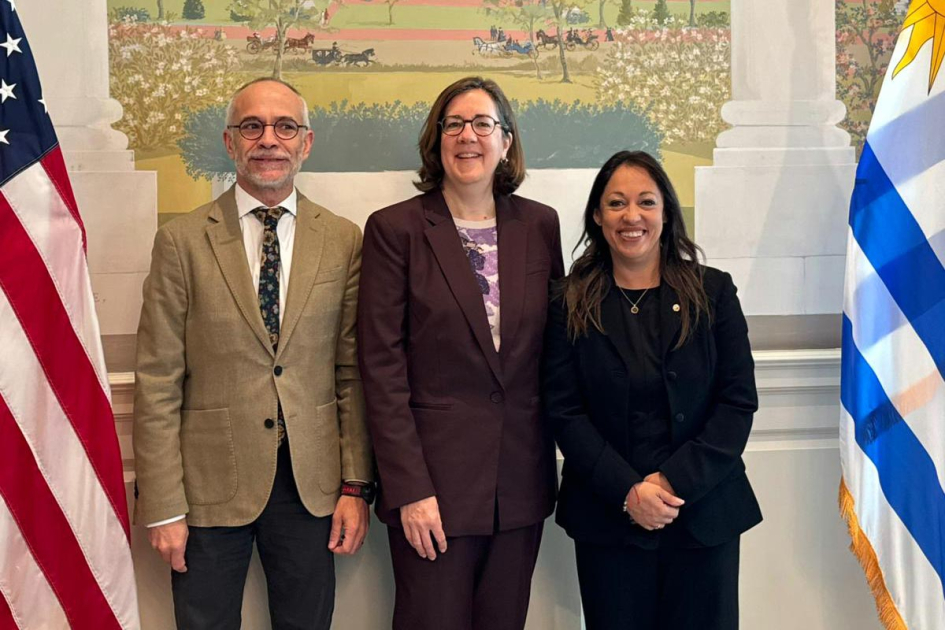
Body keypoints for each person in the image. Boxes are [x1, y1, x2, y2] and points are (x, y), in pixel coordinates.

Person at [133, 77, 374, 630]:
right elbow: (158, 381)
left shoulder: (343, 240)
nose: (269, 139)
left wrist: (356, 486)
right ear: (230, 141)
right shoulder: (182, 241)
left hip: (312, 488)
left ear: (305, 143)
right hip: (206, 489)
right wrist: (164, 506)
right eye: (253, 126)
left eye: (285, 126)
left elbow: (350, 375)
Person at [357, 76, 564, 630]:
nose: (467, 136)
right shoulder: (394, 230)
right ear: (436, 139)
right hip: (433, 491)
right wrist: (409, 490)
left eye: (482, 124)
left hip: (520, 483)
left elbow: (556, 351)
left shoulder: (540, 225)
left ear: (507, 141)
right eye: (454, 124)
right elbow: (381, 369)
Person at [542, 151, 762, 630]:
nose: (632, 216)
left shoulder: (713, 292)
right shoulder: (569, 301)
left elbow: (737, 401)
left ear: (666, 211)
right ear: (598, 216)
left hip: (704, 515)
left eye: (646, 201)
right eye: (616, 203)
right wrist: (628, 492)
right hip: (607, 517)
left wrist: (668, 483)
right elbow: (564, 411)